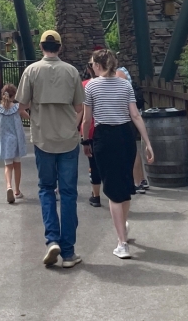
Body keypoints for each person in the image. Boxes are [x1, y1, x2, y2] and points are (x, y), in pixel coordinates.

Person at [16, 30, 84, 269]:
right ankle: (68, 252)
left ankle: (51, 240)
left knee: (46, 189)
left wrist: (35, 120)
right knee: (68, 193)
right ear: (60, 47)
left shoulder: (31, 71)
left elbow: (21, 107)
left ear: (41, 46)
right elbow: (79, 107)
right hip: (68, 139)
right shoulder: (72, 71)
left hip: (43, 138)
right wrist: (73, 127)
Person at [80, 48, 155, 259]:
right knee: (124, 185)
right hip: (126, 136)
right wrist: (147, 143)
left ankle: (122, 242)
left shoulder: (92, 86)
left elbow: (87, 119)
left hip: (104, 136)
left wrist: (85, 140)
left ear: (97, 65)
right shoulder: (125, 84)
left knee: (112, 190)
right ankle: (123, 228)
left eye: (92, 64)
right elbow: (135, 115)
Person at [116, 65, 149, 193]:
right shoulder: (122, 71)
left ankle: (137, 181)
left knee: (131, 150)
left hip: (128, 116)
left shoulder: (119, 73)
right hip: (130, 115)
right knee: (132, 150)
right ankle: (140, 179)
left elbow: (121, 94)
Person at [0, 83, 28, 203]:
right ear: (14, 95)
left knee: (8, 166)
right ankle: (17, 191)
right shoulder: (17, 108)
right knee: (17, 165)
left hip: (5, 141)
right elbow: (28, 116)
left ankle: (9, 186)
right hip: (16, 141)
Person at [81, 62, 102, 207]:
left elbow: (84, 116)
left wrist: (84, 138)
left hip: (93, 129)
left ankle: (96, 195)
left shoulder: (85, 85)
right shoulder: (119, 83)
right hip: (113, 129)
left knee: (93, 164)